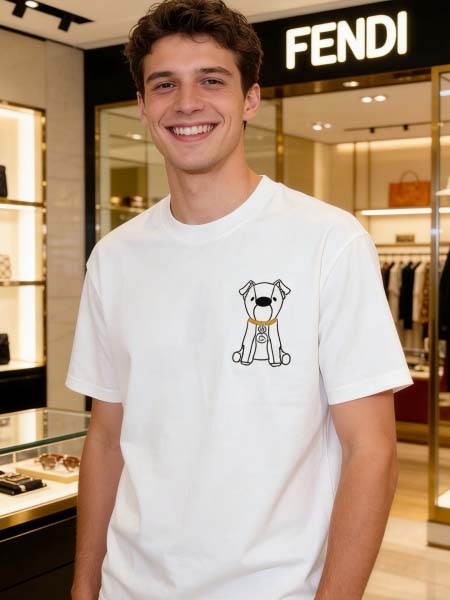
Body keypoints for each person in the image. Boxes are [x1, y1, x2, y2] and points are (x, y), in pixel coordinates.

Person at [67, 1, 413, 598]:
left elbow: (372, 451)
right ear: (144, 106)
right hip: (131, 585)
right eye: (164, 84)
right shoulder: (115, 258)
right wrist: (84, 583)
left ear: (250, 99)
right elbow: (105, 438)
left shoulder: (328, 242)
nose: (187, 103)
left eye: (212, 80)